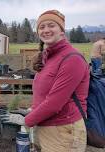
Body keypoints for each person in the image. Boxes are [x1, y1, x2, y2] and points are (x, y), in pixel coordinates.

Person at [8, 10, 89, 152]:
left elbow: (54, 103)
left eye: (51, 25)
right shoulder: (49, 57)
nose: (46, 30)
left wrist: (26, 121)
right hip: (45, 127)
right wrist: (33, 110)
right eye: (42, 27)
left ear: (62, 31)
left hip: (64, 131)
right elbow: (44, 94)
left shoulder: (72, 59)